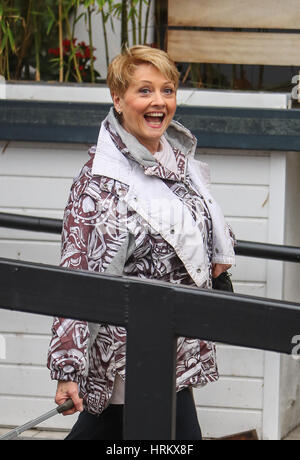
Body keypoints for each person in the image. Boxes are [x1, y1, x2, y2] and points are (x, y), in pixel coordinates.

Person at [47, 45, 235, 440]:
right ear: (118, 99)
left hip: (169, 343)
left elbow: (191, 221)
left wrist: (219, 248)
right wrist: (69, 368)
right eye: (144, 90)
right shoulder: (99, 185)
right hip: (126, 356)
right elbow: (78, 277)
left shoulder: (173, 160)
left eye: (167, 90)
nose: (159, 102)